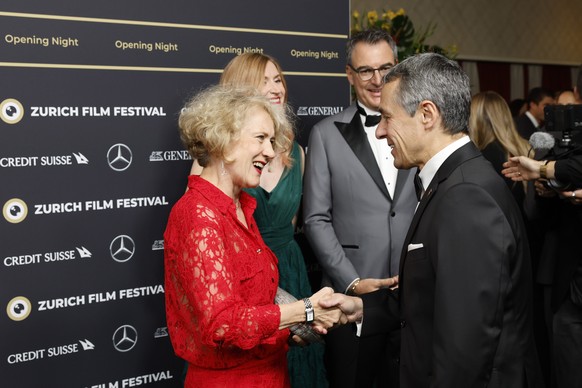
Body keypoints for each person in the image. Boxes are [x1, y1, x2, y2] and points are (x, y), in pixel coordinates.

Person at [320, 53, 544, 388]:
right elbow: (435, 294)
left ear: (427, 114)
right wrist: (361, 306)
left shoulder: (467, 196)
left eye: (387, 117)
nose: (380, 131)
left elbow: (466, 344)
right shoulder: (453, 181)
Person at [164, 84, 342, 388]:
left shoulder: (243, 207)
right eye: (260, 138)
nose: (271, 152)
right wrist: (306, 309)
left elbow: (255, 307)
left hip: (271, 373)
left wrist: (296, 331)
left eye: (272, 140)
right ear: (222, 139)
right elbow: (221, 324)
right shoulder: (197, 213)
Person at [303, 29, 417, 388]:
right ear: (349, 74)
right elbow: (315, 218)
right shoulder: (325, 133)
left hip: (412, 294)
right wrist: (351, 282)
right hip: (349, 298)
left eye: (386, 67)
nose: (378, 79)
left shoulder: (419, 128)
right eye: (366, 70)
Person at [215, 52, 328, 388]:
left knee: (297, 367)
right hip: (243, 279)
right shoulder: (220, 155)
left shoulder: (298, 152)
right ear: (240, 90)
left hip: (290, 270)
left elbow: (298, 220)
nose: (275, 87)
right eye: (263, 80)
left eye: (278, 79)